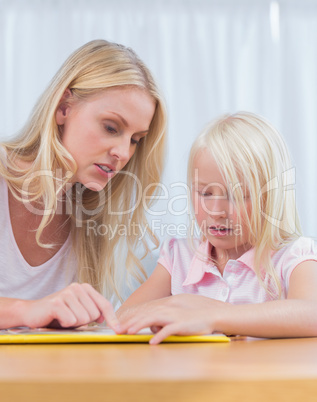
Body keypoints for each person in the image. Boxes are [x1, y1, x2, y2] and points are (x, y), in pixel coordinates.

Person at [0, 39, 167, 331]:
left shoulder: (91, 215)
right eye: (111, 128)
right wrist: (27, 311)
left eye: (135, 140)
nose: (124, 153)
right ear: (63, 108)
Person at [117, 112, 317, 344]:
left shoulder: (293, 255)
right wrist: (177, 308)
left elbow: (312, 312)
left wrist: (213, 314)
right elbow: (123, 316)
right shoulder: (179, 256)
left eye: (237, 195)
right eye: (204, 193)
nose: (216, 210)